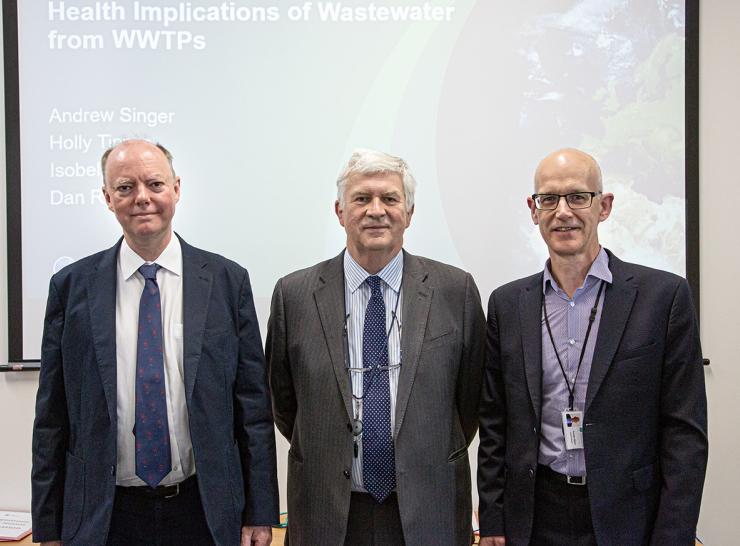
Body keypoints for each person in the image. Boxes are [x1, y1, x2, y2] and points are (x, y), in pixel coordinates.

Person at [31, 139, 279, 546]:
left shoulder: (226, 281)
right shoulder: (71, 287)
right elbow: (52, 418)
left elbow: (252, 407)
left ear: (176, 189)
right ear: (107, 198)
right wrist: (49, 525)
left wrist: (260, 511)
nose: (142, 198)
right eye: (126, 188)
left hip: (204, 510)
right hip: (103, 515)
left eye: (155, 184)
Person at [477, 148, 708, 545]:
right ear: (534, 211)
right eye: (549, 199)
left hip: (630, 516)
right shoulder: (507, 304)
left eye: (577, 197)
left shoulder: (663, 297)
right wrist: (494, 519)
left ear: (604, 206)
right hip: (533, 515)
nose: (563, 211)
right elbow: (495, 423)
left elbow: (684, 434)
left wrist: (674, 534)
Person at [267, 148, 485, 545]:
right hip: (327, 513)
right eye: (362, 198)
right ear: (340, 211)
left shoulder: (456, 290)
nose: (376, 210)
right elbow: (286, 405)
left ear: (410, 212)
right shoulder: (293, 295)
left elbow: (467, 403)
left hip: (428, 509)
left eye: (389, 198)